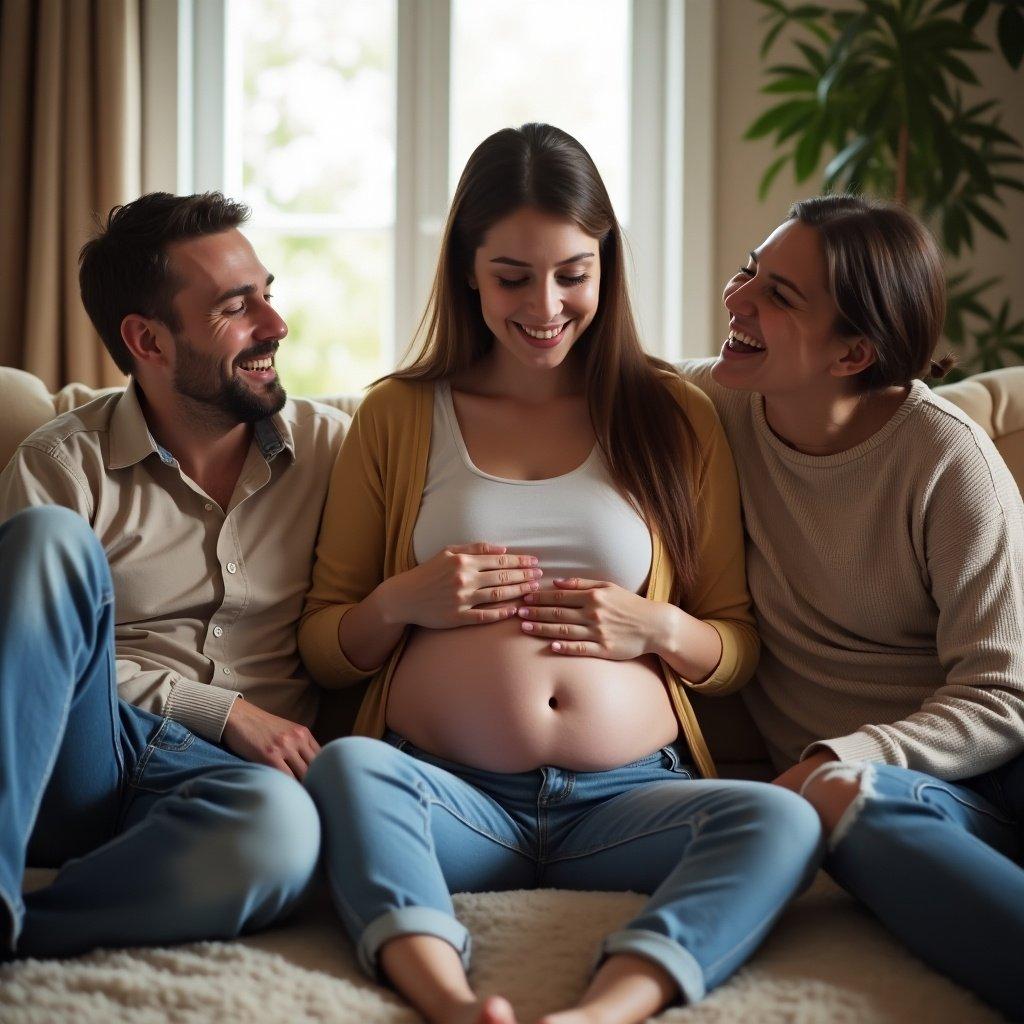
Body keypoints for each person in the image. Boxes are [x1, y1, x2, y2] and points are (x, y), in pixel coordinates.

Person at [297, 124, 822, 1024]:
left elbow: (736, 643)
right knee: (346, 769)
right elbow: (324, 647)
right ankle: (450, 1002)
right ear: (468, 268)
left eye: (573, 272)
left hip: (629, 799)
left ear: (606, 267)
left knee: (786, 821)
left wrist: (654, 628)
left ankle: (605, 1011)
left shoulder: (675, 415)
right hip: (451, 797)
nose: (545, 303)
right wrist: (402, 601)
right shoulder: (398, 414)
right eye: (513, 275)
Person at [681, 194, 1024, 1018]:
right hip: (889, 799)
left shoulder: (947, 458)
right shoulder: (710, 407)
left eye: (779, 295)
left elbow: (1004, 693)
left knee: (838, 791)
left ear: (853, 353)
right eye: (749, 270)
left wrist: (842, 751)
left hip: (993, 765)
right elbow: (568, 379)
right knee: (841, 802)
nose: (738, 298)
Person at [0, 192, 348, 956]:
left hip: (231, 787)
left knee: (283, 833)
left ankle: (22, 934)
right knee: (45, 542)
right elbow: (26, 665)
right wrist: (220, 710)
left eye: (268, 295)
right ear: (147, 340)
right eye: (235, 307)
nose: (274, 325)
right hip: (83, 753)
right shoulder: (62, 464)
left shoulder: (336, 454)